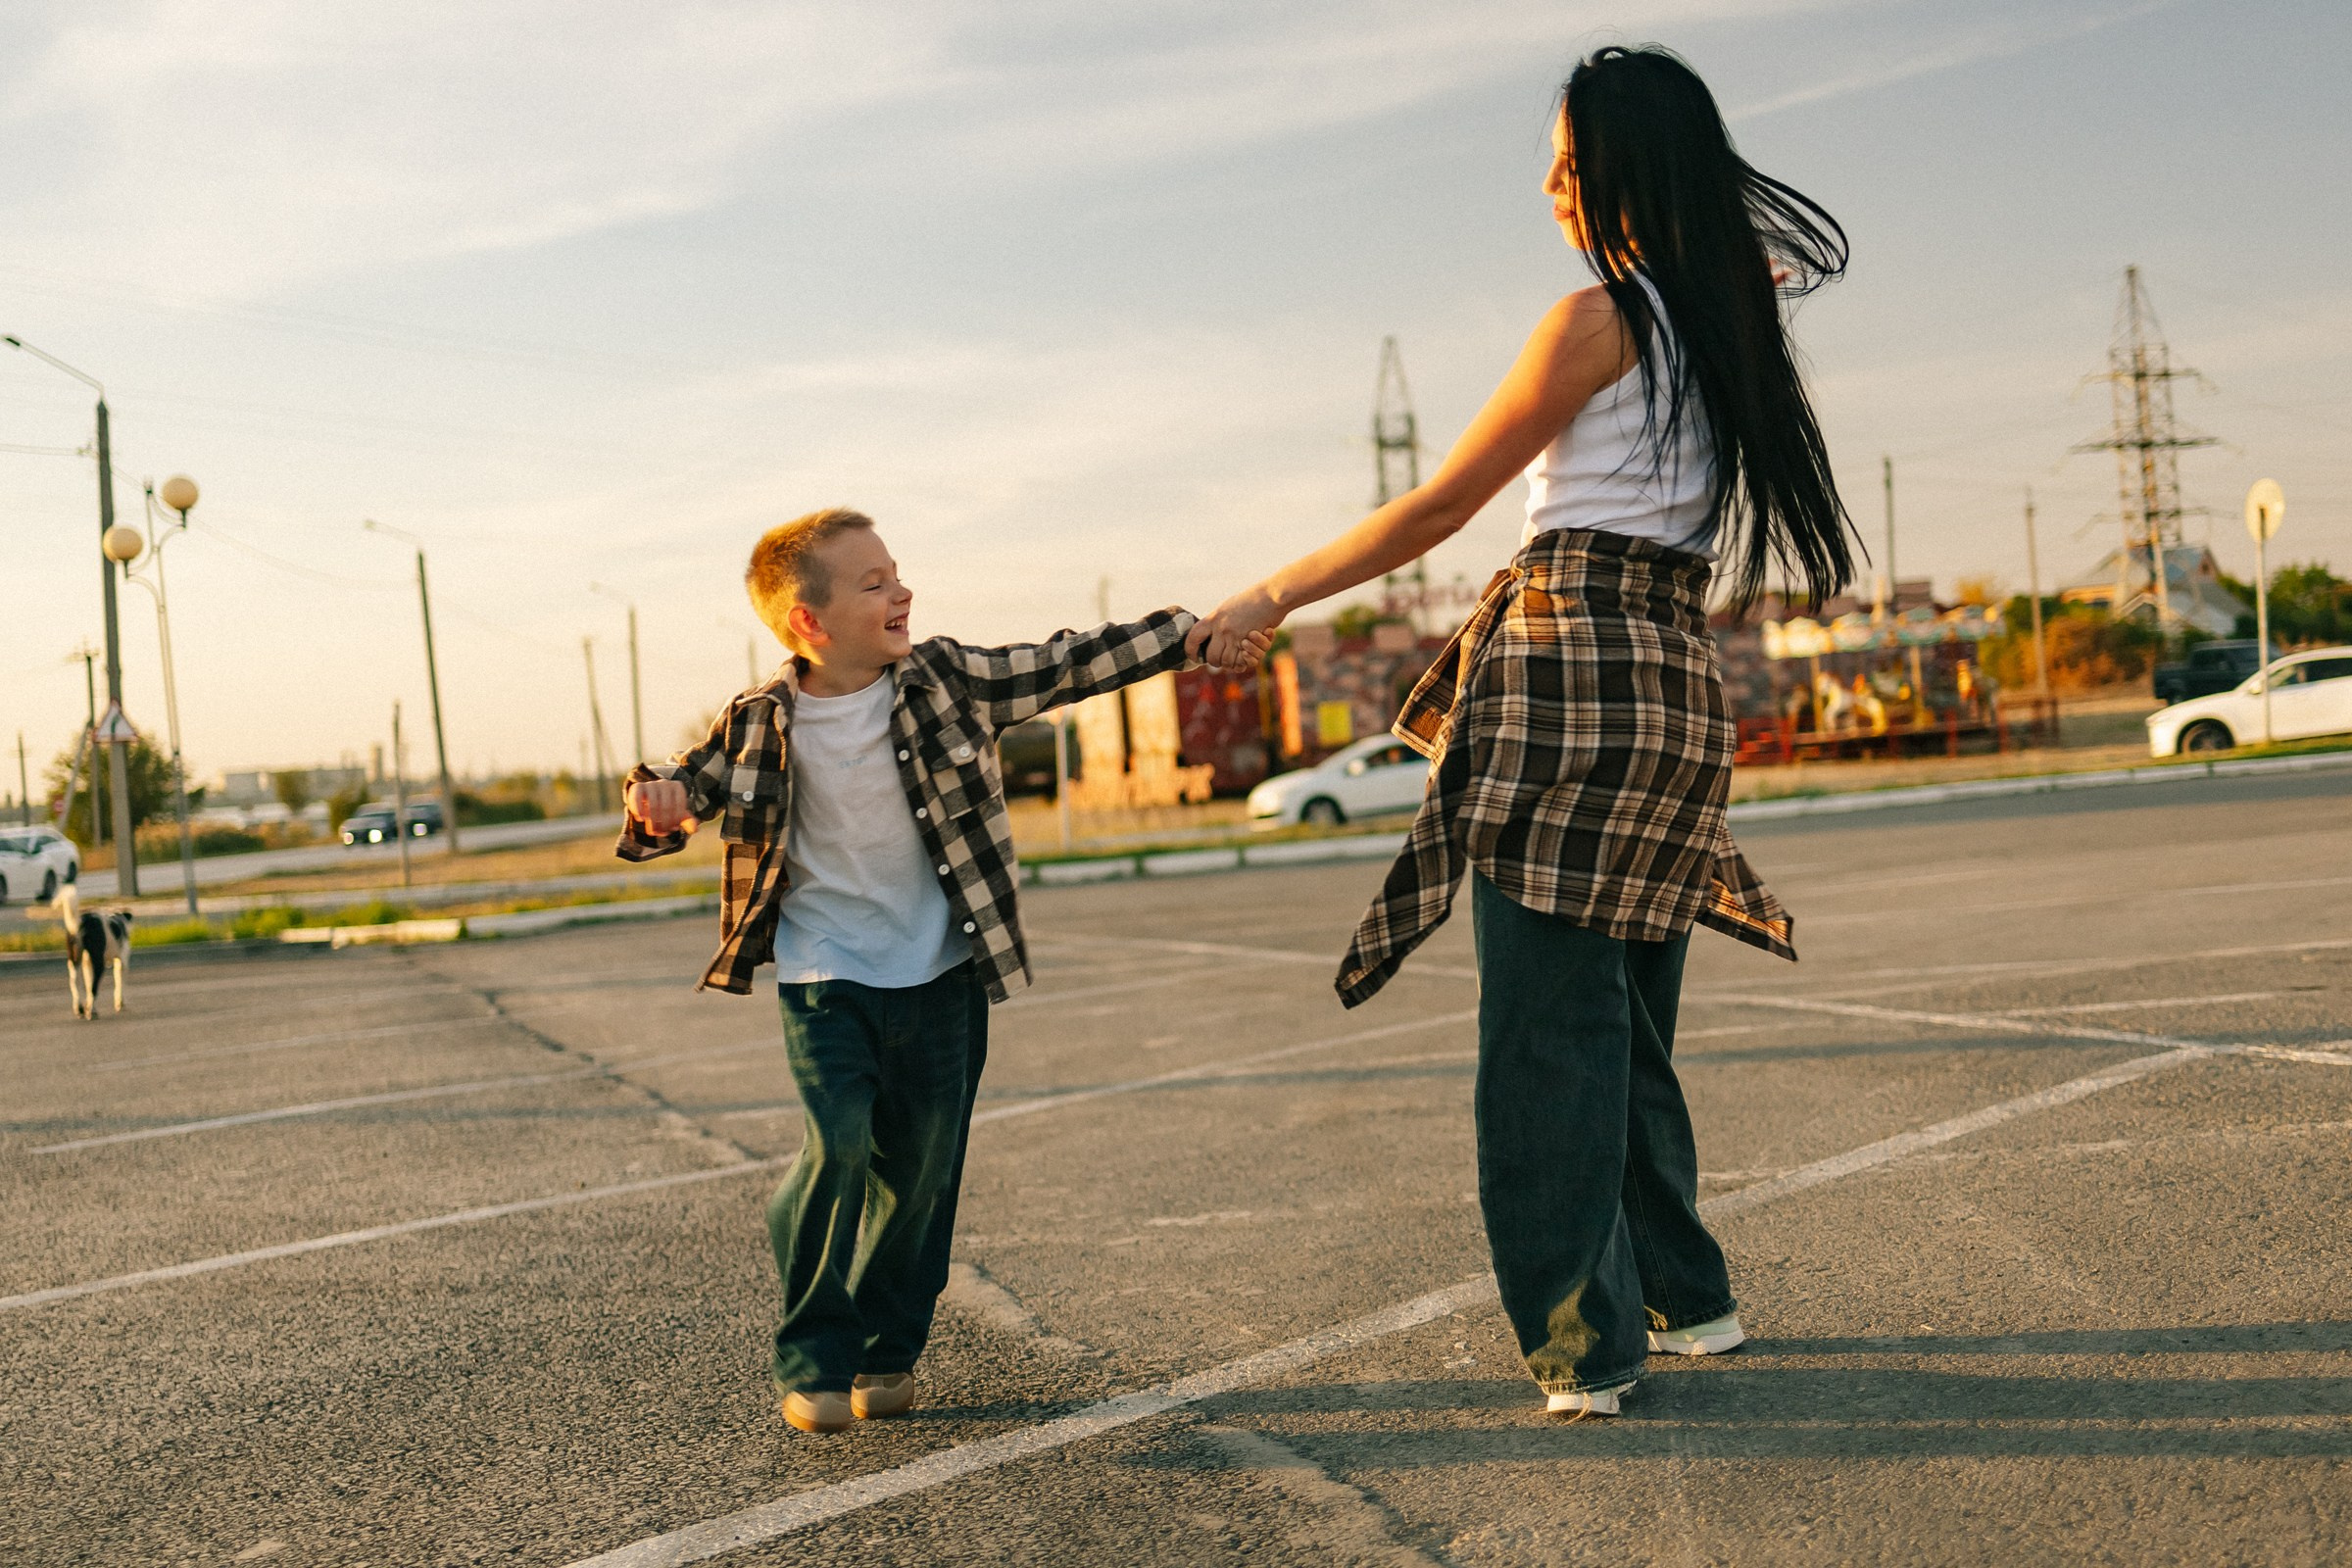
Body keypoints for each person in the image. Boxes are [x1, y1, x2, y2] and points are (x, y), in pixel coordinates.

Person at [1189, 44, 1857, 1419]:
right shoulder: (1734, 326)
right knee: (1623, 1025)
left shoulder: (1594, 322)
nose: (1554, 191)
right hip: (1674, 680)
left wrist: (1266, 596)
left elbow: (1435, 510)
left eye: (1571, 162)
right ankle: (1690, 1300)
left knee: (1546, 1034)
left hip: (1568, 663)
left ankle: (1582, 1346)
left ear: (1631, 167)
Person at [618, 507, 1265, 1434]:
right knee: (838, 1146)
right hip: (825, 974)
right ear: (810, 621)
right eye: (875, 583)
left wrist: (1188, 638)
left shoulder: (949, 680)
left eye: (897, 573)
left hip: (943, 971)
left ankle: (888, 1351)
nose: (902, 591)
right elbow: (677, 798)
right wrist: (656, 804)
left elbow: (1071, 661)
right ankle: (813, 1355)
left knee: (919, 1174)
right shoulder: (759, 721)